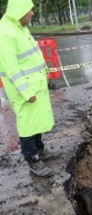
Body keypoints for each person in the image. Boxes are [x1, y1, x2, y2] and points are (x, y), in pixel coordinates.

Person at [0, 0, 60, 177]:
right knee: (27, 123)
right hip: (24, 90)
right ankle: (32, 159)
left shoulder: (19, 27)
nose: (32, 14)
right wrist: (26, 91)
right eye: (30, 11)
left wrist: (44, 72)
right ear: (20, 11)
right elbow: (10, 68)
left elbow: (30, 56)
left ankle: (39, 150)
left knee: (37, 120)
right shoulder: (4, 32)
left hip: (36, 85)